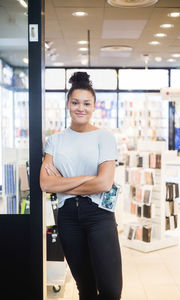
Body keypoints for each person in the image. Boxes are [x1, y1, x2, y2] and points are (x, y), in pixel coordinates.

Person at [40, 72, 123, 300]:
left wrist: (63, 184)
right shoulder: (55, 141)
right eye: (75, 102)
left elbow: (105, 183)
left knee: (111, 289)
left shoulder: (104, 138)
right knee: (85, 287)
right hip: (68, 217)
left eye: (86, 103)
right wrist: (88, 179)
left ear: (94, 106)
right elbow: (46, 183)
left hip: (99, 215)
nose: (81, 108)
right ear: (67, 104)